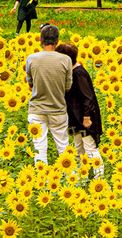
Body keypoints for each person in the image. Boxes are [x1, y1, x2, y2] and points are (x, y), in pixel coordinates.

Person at [55, 43, 105, 179]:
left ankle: (99, 180)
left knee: (90, 148)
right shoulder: (70, 72)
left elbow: (88, 97)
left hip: (84, 118)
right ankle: (81, 181)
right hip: (75, 118)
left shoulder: (79, 73)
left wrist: (87, 117)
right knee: (79, 150)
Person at [25, 24, 72, 164]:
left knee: (39, 148)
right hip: (58, 109)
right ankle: (71, 178)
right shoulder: (66, 60)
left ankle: (41, 180)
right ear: (57, 41)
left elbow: (30, 84)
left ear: (40, 40)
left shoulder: (31, 59)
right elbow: (68, 88)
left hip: (37, 110)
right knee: (63, 147)